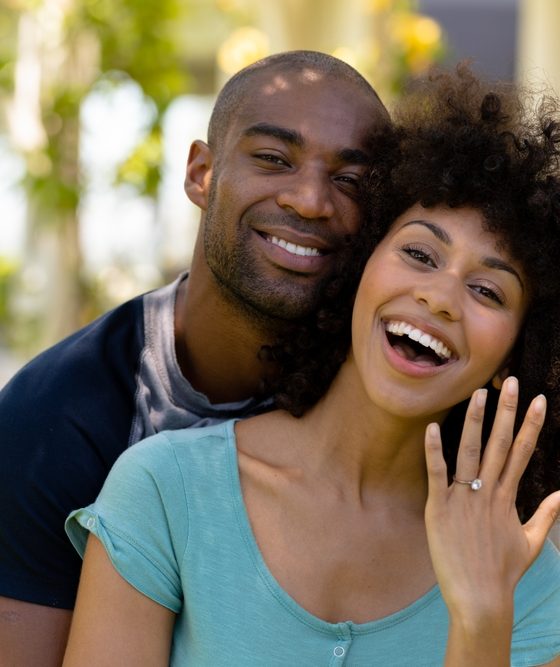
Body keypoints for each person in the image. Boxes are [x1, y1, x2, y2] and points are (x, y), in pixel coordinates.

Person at [62, 64, 560, 666]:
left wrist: (482, 619)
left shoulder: (524, 572)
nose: (440, 297)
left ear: (518, 351)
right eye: (419, 253)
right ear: (358, 268)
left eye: (489, 292)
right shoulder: (166, 491)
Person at [0, 51, 391, 665]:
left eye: (351, 181)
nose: (312, 200)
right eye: (272, 159)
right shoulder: (55, 419)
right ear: (201, 174)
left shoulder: (393, 397)